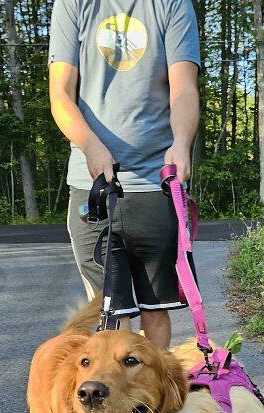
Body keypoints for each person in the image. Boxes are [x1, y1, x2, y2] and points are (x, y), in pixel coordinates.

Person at [48, 0, 201, 349]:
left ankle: (154, 403)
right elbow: (59, 93)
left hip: (156, 183)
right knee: (110, 311)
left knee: (155, 309)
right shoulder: (72, 4)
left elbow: (184, 89)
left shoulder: (173, 4)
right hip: (95, 189)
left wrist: (181, 143)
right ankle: (118, 402)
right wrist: (90, 145)